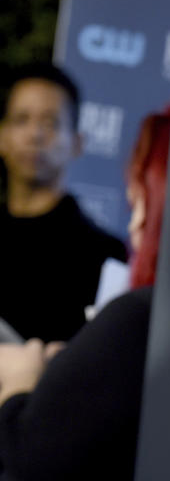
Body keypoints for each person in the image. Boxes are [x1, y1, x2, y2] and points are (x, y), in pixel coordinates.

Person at [0, 107, 170, 481]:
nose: (135, 217)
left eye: (142, 195)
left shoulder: (138, 316)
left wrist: (22, 385)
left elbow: (38, 453)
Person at [0, 63, 127, 342]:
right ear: (3, 136)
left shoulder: (105, 255)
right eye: (22, 119)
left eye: (51, 123)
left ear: (77, 142)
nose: (35, 135)